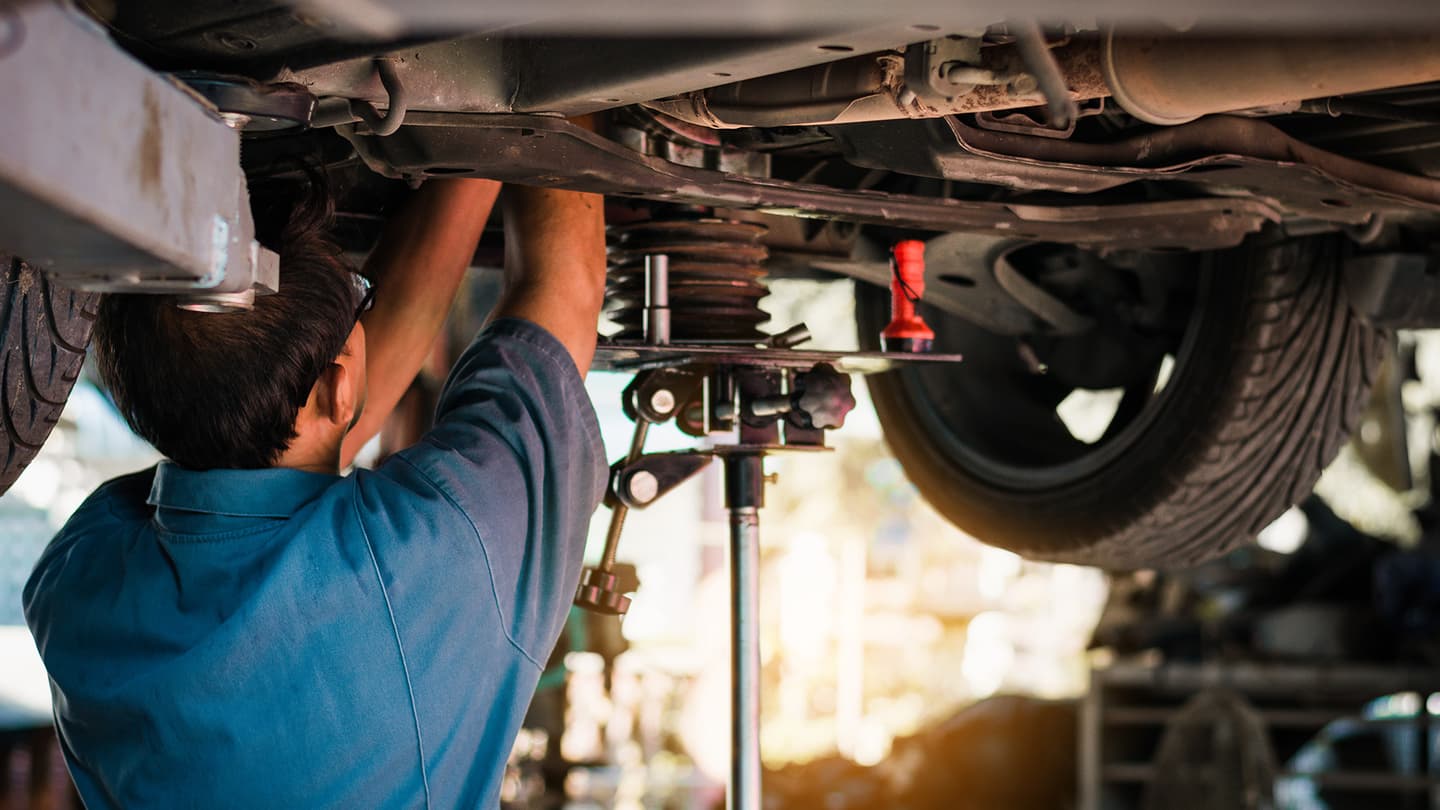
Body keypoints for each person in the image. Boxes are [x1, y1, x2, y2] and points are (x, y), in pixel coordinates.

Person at [22, 177, 609, 808]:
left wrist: (501, 138)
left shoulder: (436, 557)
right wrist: (502, 119)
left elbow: (562, 295)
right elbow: (292, 445)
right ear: (339, 386)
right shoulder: (74, 584)